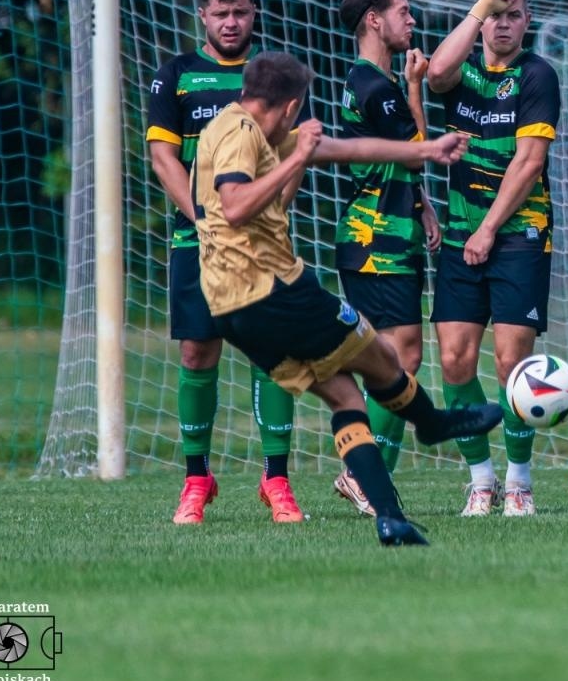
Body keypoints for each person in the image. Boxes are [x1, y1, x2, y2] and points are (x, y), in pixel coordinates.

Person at [192, 50, 501, 546]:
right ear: (291, 106)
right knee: (381, 355)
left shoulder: (246, 127)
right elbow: (234, 206)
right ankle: (431, 423)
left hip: (231, 308)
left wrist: (427, 150)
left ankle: (389, 518)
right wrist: (297, 158)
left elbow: (348, 150)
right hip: (272, 291)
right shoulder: (240, 133)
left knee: (344, 396)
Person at [145, 0, 303, 525]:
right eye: (220, 14)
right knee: (197, 353)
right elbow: (163, 158)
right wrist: (205, 218)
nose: (231, 22)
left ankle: (276, 480)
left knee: (272, 351)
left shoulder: (276, 76)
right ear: (203, 16)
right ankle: (197, 479)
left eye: (240, 12)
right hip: (197, 240)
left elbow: (292, 158)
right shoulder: (176, 76)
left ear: (254, 12)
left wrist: (267, 214)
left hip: (263, 245)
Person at [426, 0, 560, 517]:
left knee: (512, 364)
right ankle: (481, 481)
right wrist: (481, 6)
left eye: (514, 15)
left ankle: (519, 481)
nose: (503, 25)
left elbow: (529, 163)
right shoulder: (464, 73)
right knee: (454, 360)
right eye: (495, 16)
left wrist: (488, 230)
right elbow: (435, 73)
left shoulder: (538, 74)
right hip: (461, 235)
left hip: (519, 236)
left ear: (527, 22)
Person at [329, 0, 442, 516]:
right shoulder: (377, 86)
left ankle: (369, 480)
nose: (412, 21)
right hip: (375, 240)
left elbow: (396, 165)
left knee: (395, 360)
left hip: (388, 234)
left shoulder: (370, 81)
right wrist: (417, 86)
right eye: (403, 12)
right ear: (374, 20)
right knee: (399, 360)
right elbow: (417, 151)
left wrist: (422, 206)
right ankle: (362, 476)